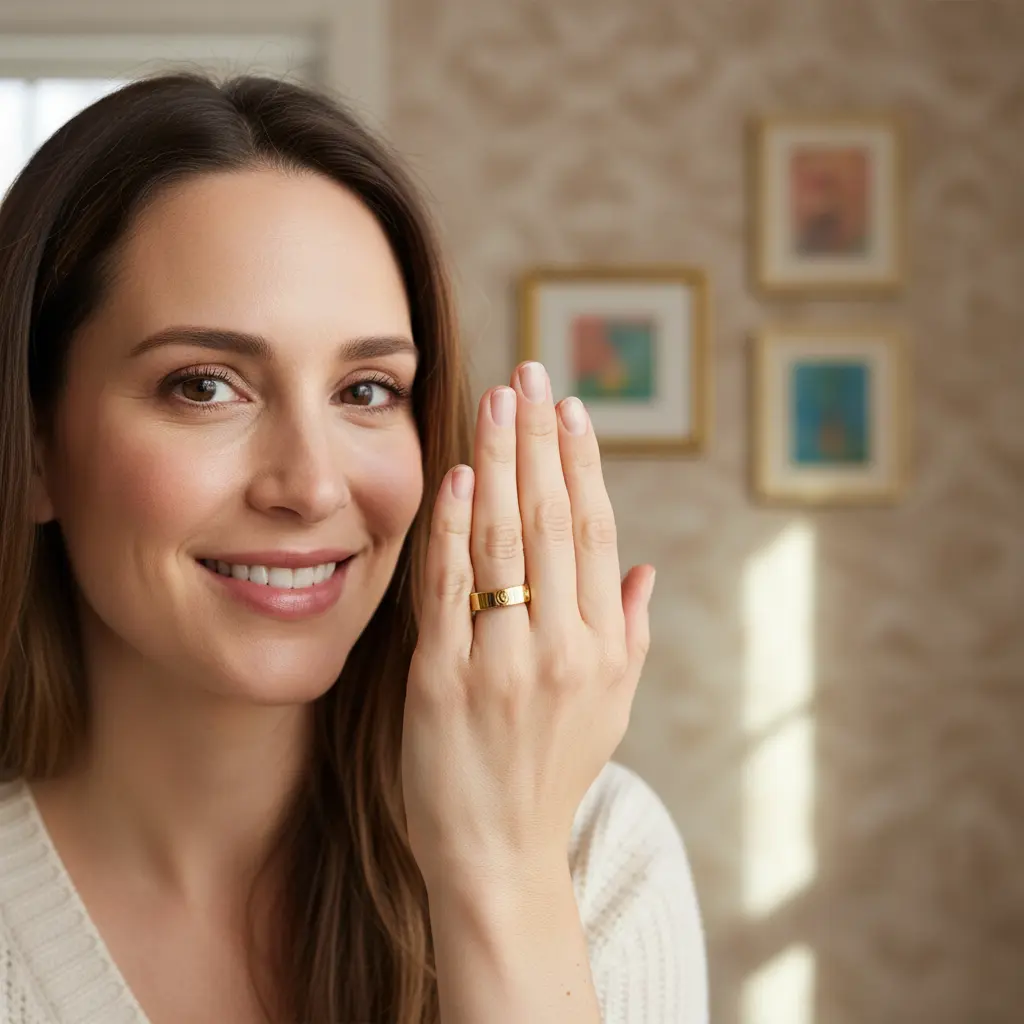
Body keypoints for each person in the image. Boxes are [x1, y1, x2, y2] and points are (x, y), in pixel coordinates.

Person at [0, 73, 707, 1024]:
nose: (314, 488)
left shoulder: (593, 857)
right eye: (206, 386)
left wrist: (499, 873)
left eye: (367, 390)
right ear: (36, 445)